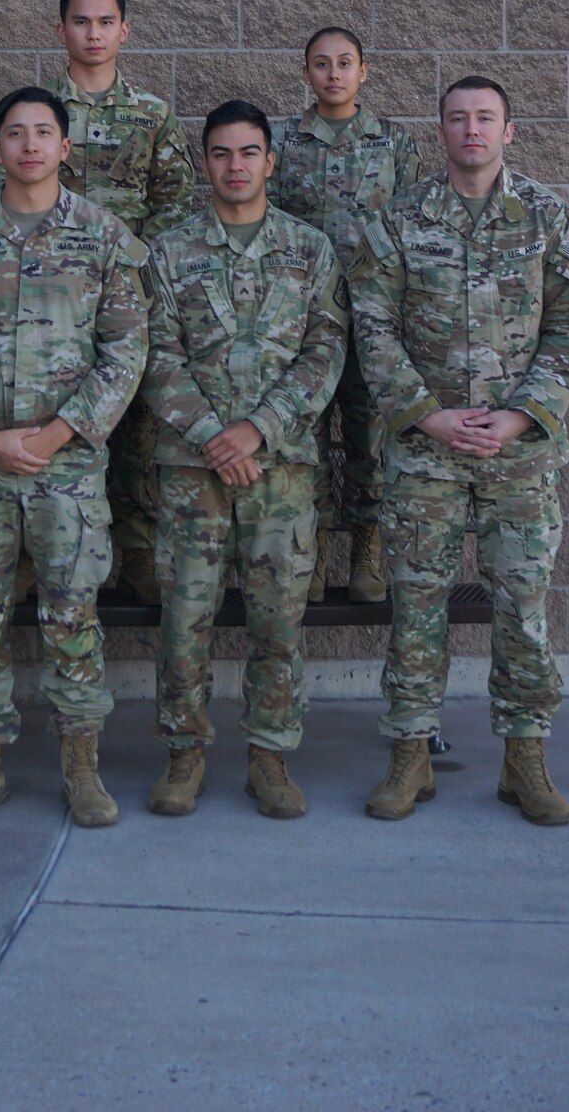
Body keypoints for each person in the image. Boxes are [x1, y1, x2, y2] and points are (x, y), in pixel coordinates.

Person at [350, 75, 569, 827]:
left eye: (484, 118)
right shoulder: (397, 220)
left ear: (507, 131)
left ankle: (524, 758)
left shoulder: (548, 218)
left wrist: (523, 416)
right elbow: (372, 325)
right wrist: (425, 416)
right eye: (456, 119)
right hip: (424, 453)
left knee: (520, 608)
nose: (470, 131)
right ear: (440, 131)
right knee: (416, 607)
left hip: (518, 458)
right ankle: (409, 753)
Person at [0, 86, 150, 829]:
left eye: (43, 132)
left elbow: (127, 348)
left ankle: (82, 771)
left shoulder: (102, 235)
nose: (29, 145)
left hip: (67, 471)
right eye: (14, 133)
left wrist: (60, 433)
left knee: (72, 617)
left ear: (64, 147)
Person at [142, 101, 347, 820]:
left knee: (276, 623)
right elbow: (154, 354)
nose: (236, 166)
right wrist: (210, 434)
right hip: (193, 474)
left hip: (279, 471)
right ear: (205, 162)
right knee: (184, 619)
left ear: (270, 159)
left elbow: (324, 352)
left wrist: (256, 429)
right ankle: (184, 755)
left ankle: (269, 756)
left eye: (249, 152)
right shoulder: (168, 251)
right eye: (222, 154)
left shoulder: (308, 249)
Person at [0, 0, 193, 604]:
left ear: (124, 30)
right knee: (41, 412)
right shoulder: (37, 111)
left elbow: (174, 208)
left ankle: (134, 550)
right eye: (81, 21)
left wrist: (119, 266)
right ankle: (27, 553)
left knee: (136, 430)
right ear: (61, 29)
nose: (93, 33)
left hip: (130, 294)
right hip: (45, 299)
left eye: (105, 22)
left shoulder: (152, 115)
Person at [273, 27, 423, 604]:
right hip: (303, 317)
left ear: (366, 71)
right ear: (305, 72)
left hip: (371, 317)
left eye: (344, 63)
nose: (332, 73)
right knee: (302, 437)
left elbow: (409, 230)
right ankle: (307, 553)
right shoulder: (282, 140)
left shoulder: (395, 145)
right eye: (320, 63)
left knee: (368, 437)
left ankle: (365, 547)